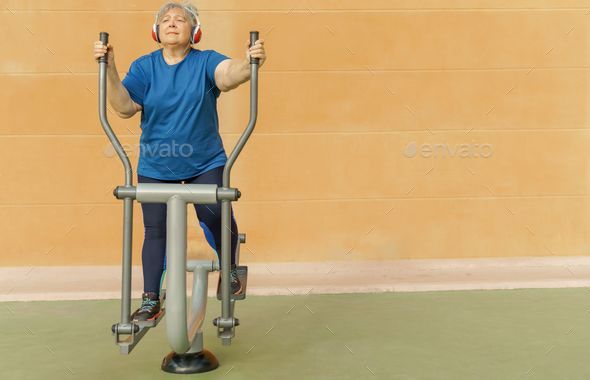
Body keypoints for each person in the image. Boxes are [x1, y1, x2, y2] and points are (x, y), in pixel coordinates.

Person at [93, 1, 266, 321]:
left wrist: (248, 63)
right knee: (154, 230)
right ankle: (149, 300)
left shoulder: (205, 62)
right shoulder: (145, 67)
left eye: (181, 20)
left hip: (204, 161)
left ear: (195, 31)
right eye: (166, 20)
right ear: (156, 31)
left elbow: (228, 76)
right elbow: (123, 107)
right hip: (157, 165)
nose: (172, 23)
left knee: (215, 214)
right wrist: (111, 67)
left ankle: (229, 269)